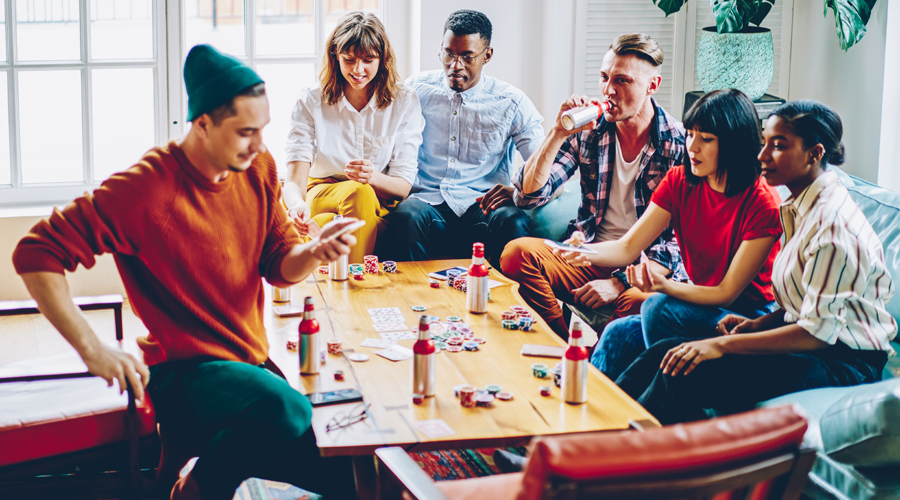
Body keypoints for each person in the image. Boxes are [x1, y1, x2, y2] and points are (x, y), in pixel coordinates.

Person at [12, 45, 360, 500]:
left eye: (263, 130)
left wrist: (316, 250)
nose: (259, 144)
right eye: (245, 132)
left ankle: (188, 473)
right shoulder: (145, 188)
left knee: (344, 474)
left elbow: (278, 263)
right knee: (287, 408)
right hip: (182, 374)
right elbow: (36, 253)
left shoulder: (258, 167)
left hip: (247, 365)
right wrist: (93, 349)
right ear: (203, 125)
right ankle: (196, 486)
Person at [614, 100, 897, 425]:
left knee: (688, 370)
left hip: (843, 362)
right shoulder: (800, 205)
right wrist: (758, 325)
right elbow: (810, 303)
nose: (762, 156)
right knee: (664, 353)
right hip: (813, 339)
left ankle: (624, 460)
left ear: (815, 154)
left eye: (778, 146)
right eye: (764, 143)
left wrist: (723, 345)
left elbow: (817, 333)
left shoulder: (831, 227)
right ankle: (593, 437)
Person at [583, 89, 783, 380]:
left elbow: (726, 293)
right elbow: (628, 247)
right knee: (617, 333)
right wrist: (580, 252)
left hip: (743, 315)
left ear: (735, 144)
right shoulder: (679, 181)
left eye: (706, 139)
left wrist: (663, 286)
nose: (692, 147)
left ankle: (658, 400)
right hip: (698, 302)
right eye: (690, 135)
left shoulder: (763, 203)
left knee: (658, 307)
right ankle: (591, 411)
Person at [500, 33, 686, 340]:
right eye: (604, 77)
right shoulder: (589, 131)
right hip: (588, 252)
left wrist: (618, 283)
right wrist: (558, 133)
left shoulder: (679, 145)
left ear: (652, 86)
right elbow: (527, 196)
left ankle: (600, 365)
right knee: (516, 253)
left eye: (623, 81)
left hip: (646, 267)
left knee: (638, 303)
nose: (609, 90)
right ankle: (565, 349)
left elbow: (680, 244)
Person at [376, 9, 545, 266]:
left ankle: (510, 305)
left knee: (513, 220)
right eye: (449, 54)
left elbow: (549, 172)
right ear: (440, 49)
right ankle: (412, 302)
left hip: (483, 207)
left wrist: (518, 192)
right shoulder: (415, 91)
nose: (456, 66)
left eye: (467, 56)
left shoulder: (512, 102)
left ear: (487, 56)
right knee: (406, 217)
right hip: (426, 204)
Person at [284, 11, 424, 263]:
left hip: (375, 202)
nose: (358, 70)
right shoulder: (311, 100)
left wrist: (372, 176)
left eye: (368, 60)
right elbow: (294, 181)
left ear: (383, 59)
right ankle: (358, 288)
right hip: (321, 193)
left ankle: (323, 292)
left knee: (335, 216)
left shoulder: (404, 100)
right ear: (335, 55)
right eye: (349, 60)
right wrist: (296, 205)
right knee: (356, 193)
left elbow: (402, 188)